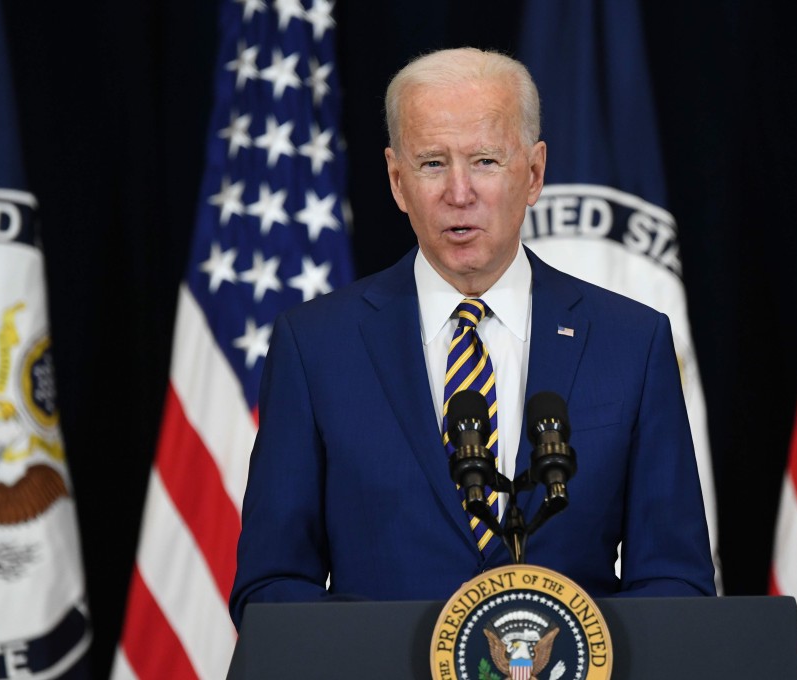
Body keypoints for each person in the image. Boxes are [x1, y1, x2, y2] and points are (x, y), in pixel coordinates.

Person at [230, 47, 714, 629]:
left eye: (485, 160)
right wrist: (423, 649)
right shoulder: (315, 347)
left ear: (533, 173)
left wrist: (564, 646)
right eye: (433, 163)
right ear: (397, 181)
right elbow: (269, 589)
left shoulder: (631, 343)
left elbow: (677, 584)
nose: (459, 193)